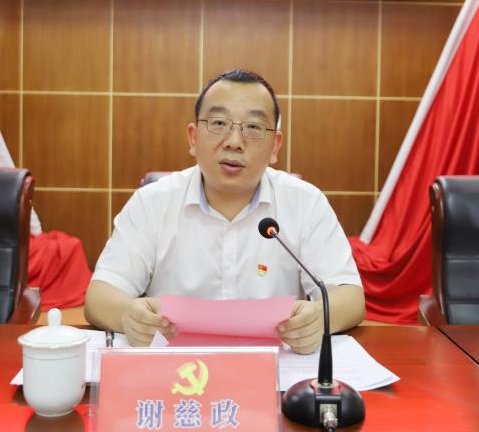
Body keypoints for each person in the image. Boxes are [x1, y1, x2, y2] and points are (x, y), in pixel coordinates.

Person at [85, 69, 364, 354]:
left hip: (274, 369)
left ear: (275, 146)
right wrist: (128, 316)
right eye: (219, 123)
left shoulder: (305, 203)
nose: (234, 142)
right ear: (193, 138)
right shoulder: (152, 202)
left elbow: (350, 296)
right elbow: (100, 295)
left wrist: (319, 319)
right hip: (175, 371)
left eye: (253, 127)